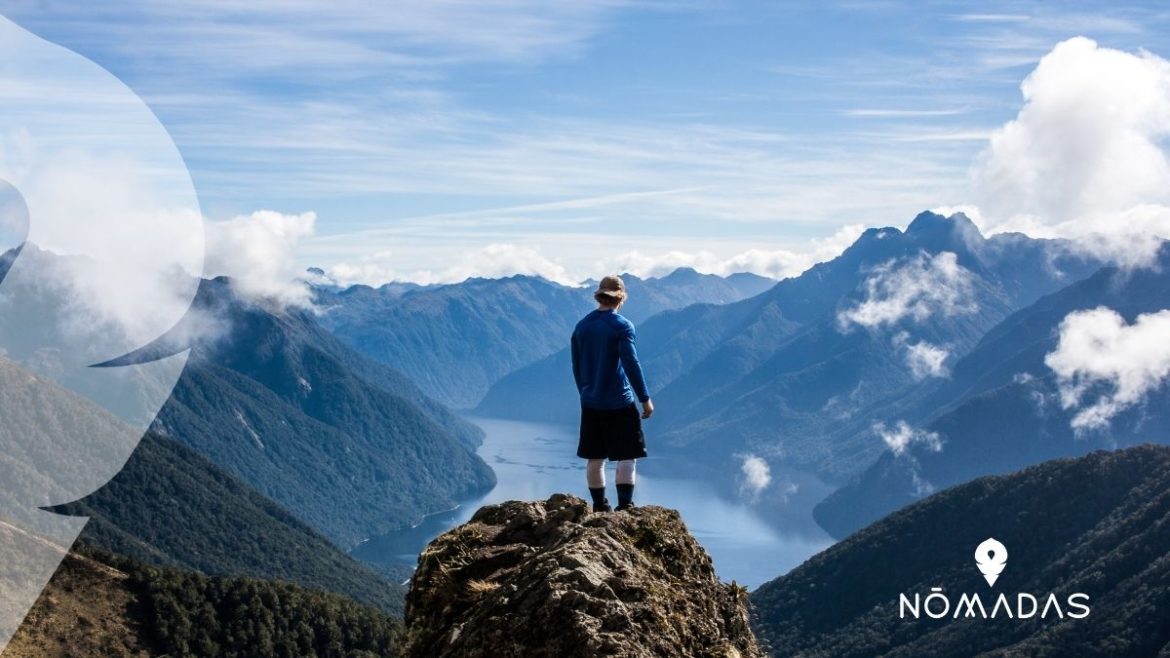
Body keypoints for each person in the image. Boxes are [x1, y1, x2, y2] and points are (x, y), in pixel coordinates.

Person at [570, 274, 654, 513]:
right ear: (621, 298)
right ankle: (625, 507)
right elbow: (631, 363)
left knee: (595, 458)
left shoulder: (582, 326)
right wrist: (645, 399)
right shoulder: (622, 326)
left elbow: (576, 366)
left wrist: (585, 393)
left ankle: (599, 506)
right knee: (627, 455)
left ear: (599, 296)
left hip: (590, 401)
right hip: (619, 401)